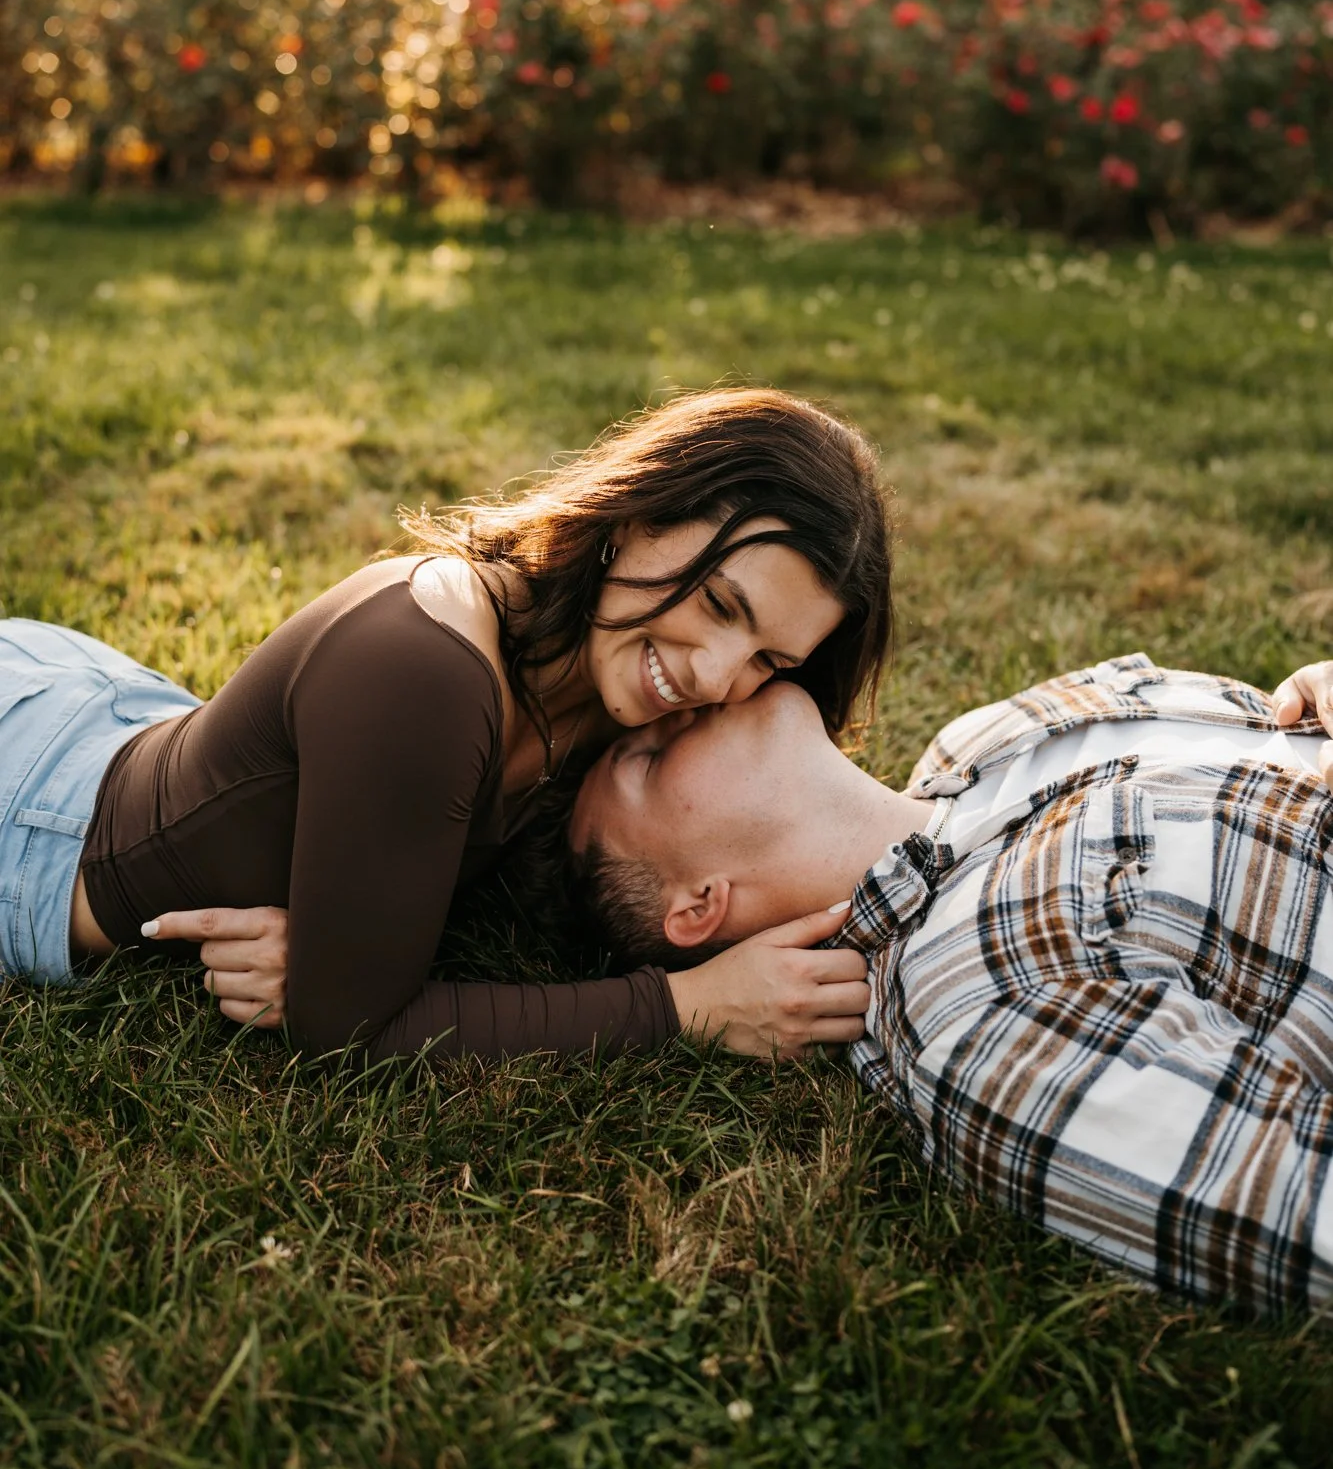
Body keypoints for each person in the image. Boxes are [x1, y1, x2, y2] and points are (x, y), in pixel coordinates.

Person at [0, 387, 885, 1066]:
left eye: (769, 660)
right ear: (641, 514)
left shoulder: (611, 682)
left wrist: (335, 933)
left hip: (110, 708)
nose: (717, 679)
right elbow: (343, 1029)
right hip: (34, 812)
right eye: (722, 604)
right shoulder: (424, 671)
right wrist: (692, 1007)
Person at [567, 653, 1333, 1310]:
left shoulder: (986, 732)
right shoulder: (972, 1015)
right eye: (645, 759)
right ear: (699, 904)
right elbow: (1302, 1213)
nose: (685, 707)